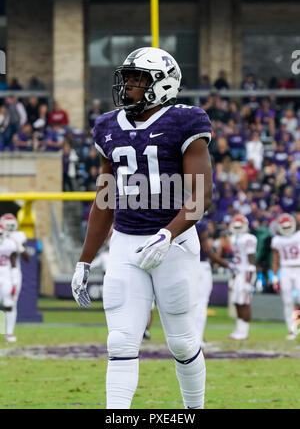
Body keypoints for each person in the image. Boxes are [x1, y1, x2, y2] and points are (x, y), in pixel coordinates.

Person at [71, 47, 213, 409]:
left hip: (175, 244)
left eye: (138, 80)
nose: (129, 87)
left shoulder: (186, 121)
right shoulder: (107, 126)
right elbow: (105, 200)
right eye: (128, 79)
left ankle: (193, 411)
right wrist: (85, 260)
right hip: (126, 243)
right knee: (119, 340)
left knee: (181, 342)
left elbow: (201, 196)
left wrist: (169, 232)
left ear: (162, 84)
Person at [195, 219, 234, 346]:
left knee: (190, 305)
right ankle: (197, 339)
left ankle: (192, 338)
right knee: (201, 304)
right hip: (200, 267)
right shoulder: (200, 224)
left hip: (185, 265)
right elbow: (207, 251)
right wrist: (227, 264)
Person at [228, 214, 257, 340]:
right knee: (236, 302)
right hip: (237, 273)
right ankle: (239, 329)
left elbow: (251, 262)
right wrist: (233, 277)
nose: (238, 228)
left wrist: (249, 281)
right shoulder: (233, 238)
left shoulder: (249, 238)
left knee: (244, 302)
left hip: (246, 273)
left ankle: (244, 331)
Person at [271, 213, 300, 340]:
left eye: (289, 226)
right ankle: (292, 330)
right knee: (287, 301)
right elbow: (275, 260)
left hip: (298, 268)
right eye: (285, 227)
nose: (287, 229)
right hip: (286, 270)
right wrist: (275, 276)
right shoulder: (277, 240)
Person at [0, 223, 19, 342]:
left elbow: (13, 263)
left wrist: (15, 282)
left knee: (9, 304)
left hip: (6, 276)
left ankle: (9, 333)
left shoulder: (10, 243)